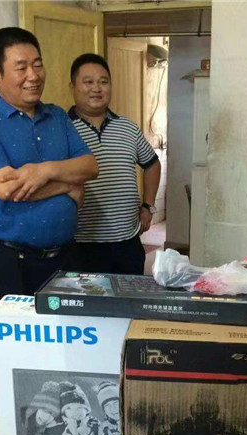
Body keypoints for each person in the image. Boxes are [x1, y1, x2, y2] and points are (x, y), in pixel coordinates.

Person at [0, 28, 98, 414]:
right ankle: (9, 429)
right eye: (21, 67)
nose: (33, 75)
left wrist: (44, 171)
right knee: (13, 354)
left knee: (67, 348)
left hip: (65, 258)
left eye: (37, 64)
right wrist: (66, 185)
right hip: (12, 261)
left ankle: (64, 422)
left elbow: (90, 166)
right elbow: (5, 187)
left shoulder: (57, 116)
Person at [66, 53, 161, 275]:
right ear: (73, 87)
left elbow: (152, 164)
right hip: (80, 243)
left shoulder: (128, 128)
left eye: (103, 82)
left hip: (127, 242)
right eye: (88, 82)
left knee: (128, 296)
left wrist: (148, 206)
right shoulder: (62, 129)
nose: (97, 89)